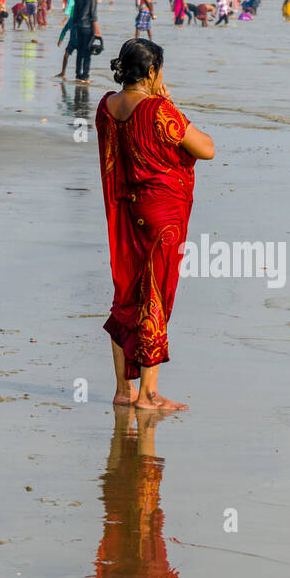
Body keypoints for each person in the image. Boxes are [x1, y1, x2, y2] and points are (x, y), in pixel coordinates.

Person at [95, 39, 215, 410]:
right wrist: (169, 103)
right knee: (156, 295)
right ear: (151, 72)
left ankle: (122, 389)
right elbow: (206, 148)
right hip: (164, 216)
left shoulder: (107, 106)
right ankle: (148, 394)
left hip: (125, 210)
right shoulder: (160, 110)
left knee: (127, 292)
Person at [73, 0, 100, 83]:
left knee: (79, 52)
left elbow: (75, 16)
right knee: (87, 53)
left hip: (79, 27)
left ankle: (78, 75)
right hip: (89, 28)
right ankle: (86, 76)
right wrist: (97, 30)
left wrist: (75, 31)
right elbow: (93, 15)